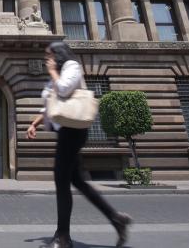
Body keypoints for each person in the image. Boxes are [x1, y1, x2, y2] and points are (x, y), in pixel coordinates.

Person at [26, 42, 132, 248]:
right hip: (66, 131)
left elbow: (64, 90)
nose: (46, 59)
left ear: (59, 54)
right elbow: (51, 104)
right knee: (78, 181)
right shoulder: (57, 73)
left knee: (62, 181)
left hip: (73, 132)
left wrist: (51, 72)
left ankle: (62, 237)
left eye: (49, 55)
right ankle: (116, 219)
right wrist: (34, 124)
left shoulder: (71, 66)